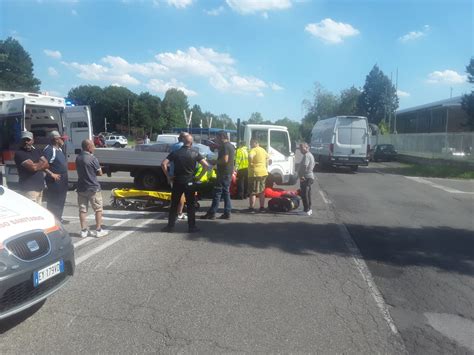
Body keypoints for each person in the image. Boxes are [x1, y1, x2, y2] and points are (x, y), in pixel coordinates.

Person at [161, 134, 208, 233]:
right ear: (191, 142)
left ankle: (170, 226)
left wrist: (168, 175)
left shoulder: (176, 152)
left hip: (177, 181)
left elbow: (163, 163)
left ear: (183, 142)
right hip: (190, 181)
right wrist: (199, 177)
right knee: (190, 205)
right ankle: (192, 226)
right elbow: (206, 165)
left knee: (174, 204)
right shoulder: (195, 153)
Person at [76, 139, 108, 238]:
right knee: (98, 209)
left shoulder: (78, 158)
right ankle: (98, 230)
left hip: (81, 187)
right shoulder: (93, 158)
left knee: (82, 210)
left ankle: (84, 230)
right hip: (93, 187)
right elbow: (100, 173)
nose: (94, 147)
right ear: (89, 147)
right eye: (93, 145)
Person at [201, 131, 235, 220]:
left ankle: (212, 213)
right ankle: (227, 212)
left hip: (223, 172)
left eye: (217, 137)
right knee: (226, 192)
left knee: (217, 192)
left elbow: (225, 160)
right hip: (228, 171)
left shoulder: (225, 146)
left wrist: (214, 162)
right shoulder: (230, 145)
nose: (216, 139)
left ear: (221, 137)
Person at [14, 131, 49, 203]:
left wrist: (36, 164)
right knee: (31, 213)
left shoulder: (37, 151)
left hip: (40, 187)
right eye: (24, 140)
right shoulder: (19, 153)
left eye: (28, 140)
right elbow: (33, 168)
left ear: (33, 141)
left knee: (38, 212)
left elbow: (47, 164)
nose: (26, 142)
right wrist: (40, 164)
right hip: (28, 189)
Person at [43, 131, 69, 223]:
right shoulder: (49, 150)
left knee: (61, 199)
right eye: (61, 138)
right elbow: (43, 165)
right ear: (56, 139)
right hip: (55, 180)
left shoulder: (59, 149)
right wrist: (51, 174)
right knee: (54, 200)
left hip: (63, 178)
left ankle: (59, 217)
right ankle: (52, 219)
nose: (63, 140)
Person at [169, 132, 189, 220]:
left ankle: (174, 212)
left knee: (175, 193)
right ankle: (179, 213)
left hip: (172, 172)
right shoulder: (182, 147)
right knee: (181, 194)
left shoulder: (174, 146)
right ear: (184, 138)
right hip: (180, 173)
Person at [247, 139, 269, 213]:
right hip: (263, 172)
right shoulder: (263, 150)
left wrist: (251, 163)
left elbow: (250, 156)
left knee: (253, 191)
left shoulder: (253, 150)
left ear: (255, 143)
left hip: (255, 173)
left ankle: (251, 208)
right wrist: (265, 165)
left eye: (251, 143)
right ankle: (262, 207)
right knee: (261, 191)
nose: (250, 145)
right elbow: (268, 158)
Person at [298, 142, 315, 216]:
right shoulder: (309, 155)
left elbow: (305, 166)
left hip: (306, 177)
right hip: (309, 176)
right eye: (299, 148)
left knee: (304, 194)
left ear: (306, 148)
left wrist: (301, 176)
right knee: (307, 194)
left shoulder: (307, 155)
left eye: (301, 148)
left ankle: (306, 210)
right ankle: (309, 209)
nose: (300, 150)